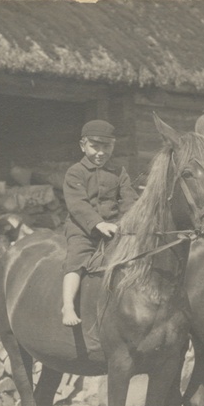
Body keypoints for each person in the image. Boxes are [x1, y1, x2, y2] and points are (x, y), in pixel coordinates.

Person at [60, 119, 138, 326]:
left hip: (114, 227)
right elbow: (78, 204)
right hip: (82, 228)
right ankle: (68, 305)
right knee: (76, 259)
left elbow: (129, 199)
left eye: (107, 147)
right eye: (95, 146)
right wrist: (97, 224)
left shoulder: (119, 172)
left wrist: (125, 223)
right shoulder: (75, 172)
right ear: (83, 146)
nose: (100, 152)